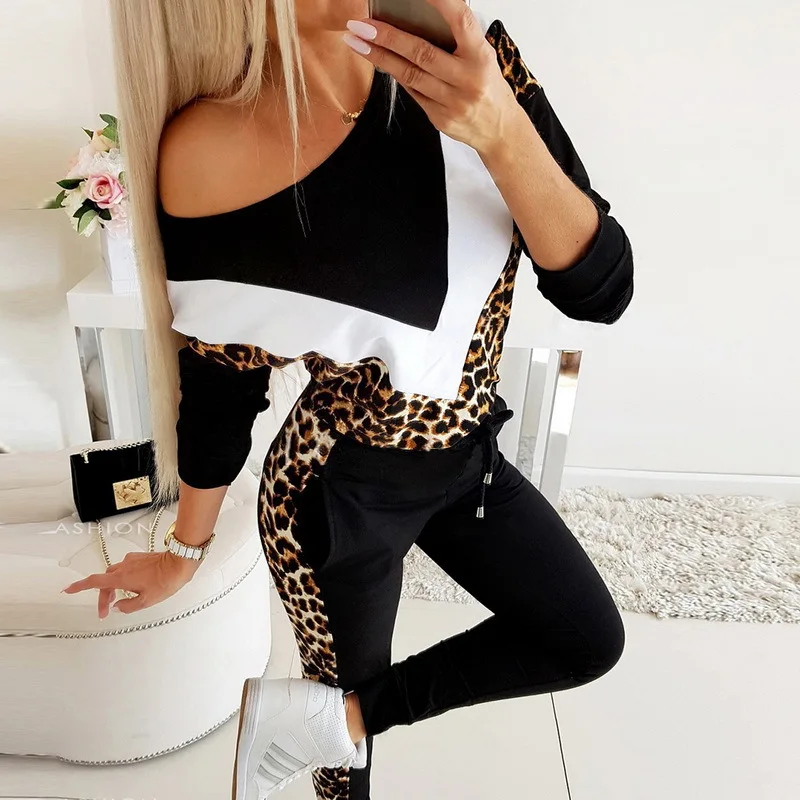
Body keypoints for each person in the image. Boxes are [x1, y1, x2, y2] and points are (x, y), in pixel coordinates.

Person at [64, 1, 634, 798]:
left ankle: (331, 718)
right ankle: (330, 728)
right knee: (346, 773)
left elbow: (600, 289)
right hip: (334, 496)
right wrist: (184, 550)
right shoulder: (212, 146)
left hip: (465, 458)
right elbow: (224, 378)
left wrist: (500, 128)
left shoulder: (474, 67)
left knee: (584, 638)